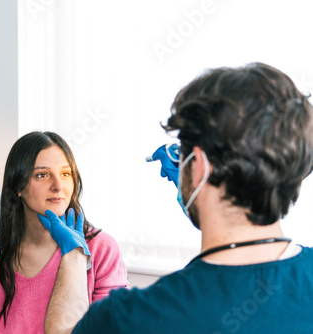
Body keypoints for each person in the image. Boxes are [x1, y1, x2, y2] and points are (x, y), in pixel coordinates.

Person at [41, 63, 313, 333]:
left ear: (201, 166)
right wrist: (200, 195)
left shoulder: (137, 317)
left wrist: (74, 255)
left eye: (183, 156)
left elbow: (63, 329)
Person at [0, 131, 128, 333]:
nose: (58, 186)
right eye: (42, 175)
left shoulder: (100, 249)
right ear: (18, 187)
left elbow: (111, 327)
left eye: (66, 174)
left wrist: (75, 257)